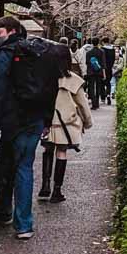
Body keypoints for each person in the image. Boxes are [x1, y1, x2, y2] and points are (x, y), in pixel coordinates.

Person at [0, 16, 66, 240]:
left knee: (6, 166)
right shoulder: (42, 55)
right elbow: (51, 90)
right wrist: (47, 121)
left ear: (12, 31)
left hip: (11, 121)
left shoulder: (5, 54)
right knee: (25, 168)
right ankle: (24, 225)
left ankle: (3, 213)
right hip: (35, 120)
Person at [38, 53, 93, 203]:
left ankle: (45, 186)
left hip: (47, 123)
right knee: (61, 152)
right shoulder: (73, 81)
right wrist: (88, 123)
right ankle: (57, 191)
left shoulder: (43, 78)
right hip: (66, 124)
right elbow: (82, 105)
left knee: (47, 150)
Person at [83, 38, 102, 109]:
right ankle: (97, 103)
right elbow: (103, 63)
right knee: (98, 87)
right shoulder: (101, 52)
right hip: (99, 71)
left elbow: (87, 63)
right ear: (98, 43)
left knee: (91, 87)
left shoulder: (88, 53)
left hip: (91, 72)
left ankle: (94, 103)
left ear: (92, 43)